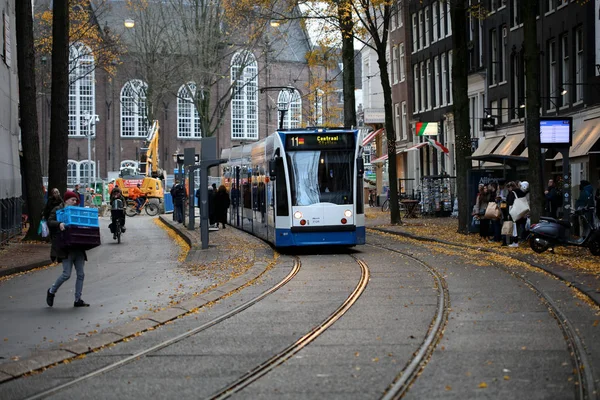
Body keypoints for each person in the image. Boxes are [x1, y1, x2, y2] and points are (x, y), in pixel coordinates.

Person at [46, 190, 90, 308]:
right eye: (73, 200)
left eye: (76, 200)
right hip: (65, 247)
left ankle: (78, 299)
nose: (75, 202)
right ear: (66, 200)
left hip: (78, 247)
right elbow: (49, 221)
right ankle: (51, 291)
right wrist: (59, 224)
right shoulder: (58, 210)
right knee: (66, 274)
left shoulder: (76, 211)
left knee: (81, 274)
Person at [506, 181, 527, 247]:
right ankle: (519, 239)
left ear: (511, 187)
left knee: (514, 227)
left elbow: (510, 202)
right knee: (519, 226)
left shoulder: (512, 193)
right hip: (521, 211)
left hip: (514, 211)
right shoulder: (521, 192)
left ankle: (515, 241)